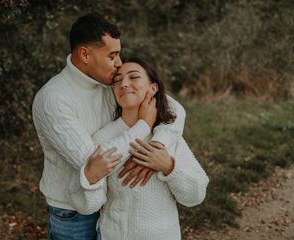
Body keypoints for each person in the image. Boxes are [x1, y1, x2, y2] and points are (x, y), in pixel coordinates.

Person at [32, 14, 186, 240]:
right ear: (85, 54)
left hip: (114, 203)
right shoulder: (53, 99)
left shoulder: (111, 82)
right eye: (112, 56)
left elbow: (173, 109)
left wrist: (156, 147)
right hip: (74, 212)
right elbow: (94, 162)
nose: (119, 63)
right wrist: (143, 125)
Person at [68, 58, 209, 240]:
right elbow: (88, 206)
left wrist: (169, 167)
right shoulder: (102, 139)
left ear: (153, 89)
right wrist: (91, 178)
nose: (124, 84)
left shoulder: (167, 137)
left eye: (133, 77)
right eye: (117, 80)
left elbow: (195, 196)